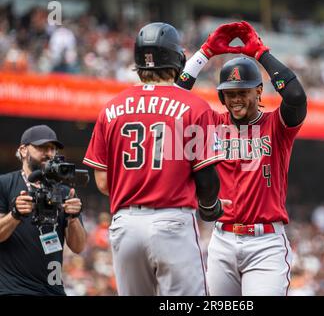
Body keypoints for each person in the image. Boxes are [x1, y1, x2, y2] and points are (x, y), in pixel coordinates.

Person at [83, 22, 225, 296]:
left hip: (125, 224)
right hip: (172, 221)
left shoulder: (112, 107)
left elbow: (102, 182)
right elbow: (207, 180)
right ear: (177, 59)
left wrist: (138, 188)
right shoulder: (194, 107)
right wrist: (210, 205)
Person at [177, 21, 307, 296]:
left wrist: (261, 53)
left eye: (243, 92)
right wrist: (205, 52)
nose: (236, 99)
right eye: (230, 93)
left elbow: (295, 95)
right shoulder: (212, 123)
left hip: (266, 244)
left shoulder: (277, 125)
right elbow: (174, 100)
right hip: (222, 239)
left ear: (259, 91)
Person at [0, 125, 86, 295]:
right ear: (23, 150)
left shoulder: (64, 191)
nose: (49, 153)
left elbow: (78, 247)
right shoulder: (4, 183)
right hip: (13, 289)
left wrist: (73, 218)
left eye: (52, 148)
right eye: (42, 147)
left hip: (52, 289)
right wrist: (15, 214)